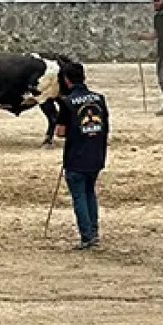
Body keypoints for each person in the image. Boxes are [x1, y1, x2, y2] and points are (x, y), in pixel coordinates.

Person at [54, 61, 109, 250]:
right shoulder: (99, 99)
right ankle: (93, 232)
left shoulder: (67, 102)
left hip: (76, 156)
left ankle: (87, 236)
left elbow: (60, 132)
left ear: (67, 80)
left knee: (79, 196)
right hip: (96, 154)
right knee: (89, 193)